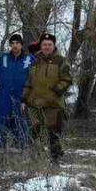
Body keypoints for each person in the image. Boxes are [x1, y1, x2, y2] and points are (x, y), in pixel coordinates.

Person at [21, 33, 72, 165]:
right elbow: (29, 82)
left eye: (49, 45)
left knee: (53, 133)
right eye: (44, 44)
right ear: (41, 46)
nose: (47, 47)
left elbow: (67, 79)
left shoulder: (61, 61)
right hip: (35, 103)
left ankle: (55, 160)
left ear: (54, 46)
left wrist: (57, 89)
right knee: (34, 132)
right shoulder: (35, 61)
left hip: (53, 104)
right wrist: (24, 98)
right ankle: (35, 159)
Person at [0, 34, 34, 150]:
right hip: (4, 99)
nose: (15, 46)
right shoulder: (3, 58)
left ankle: (19, 151)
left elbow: (33, 80)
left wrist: (28, 98)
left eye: (17, 43)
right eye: (12, 43)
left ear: (21, 45)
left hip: (21, 100)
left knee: (21, 125)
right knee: (0, 125)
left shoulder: (29, 59)